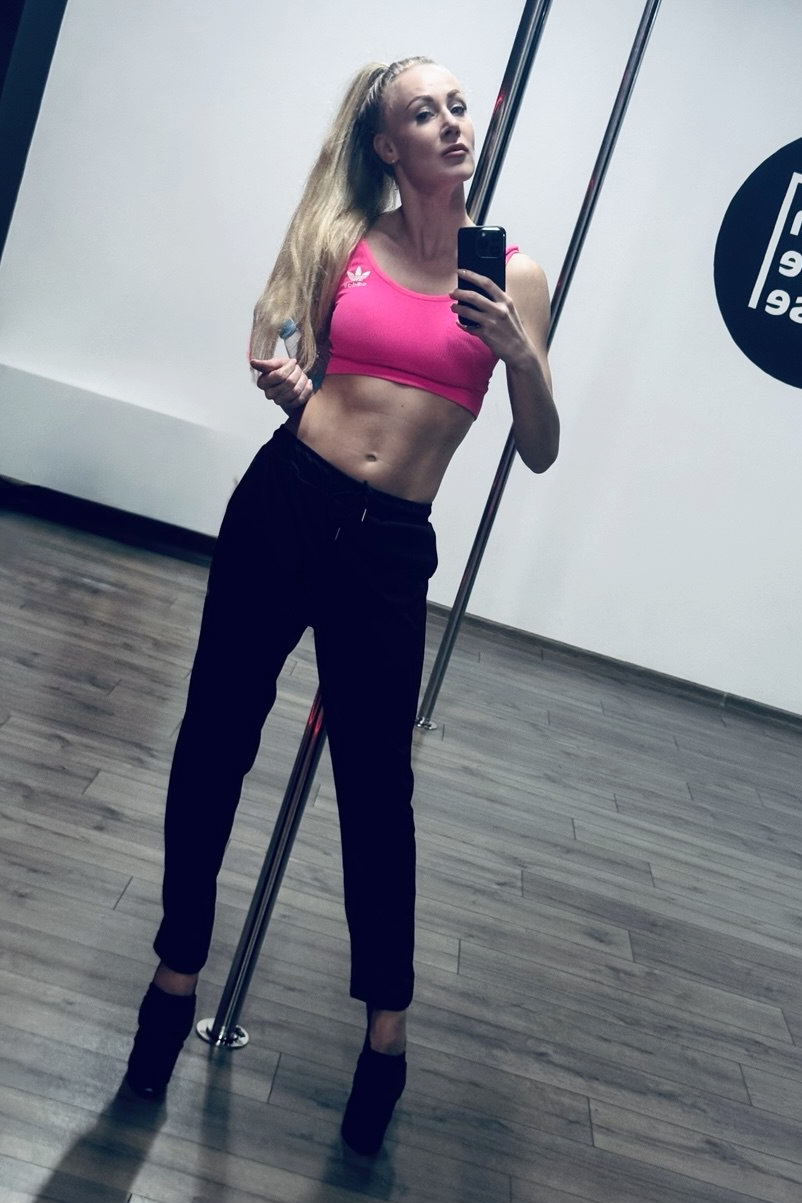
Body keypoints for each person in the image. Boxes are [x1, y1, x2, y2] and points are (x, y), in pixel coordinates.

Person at [125, 56, 558, 1155]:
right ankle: (174, 976)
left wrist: (519, 355)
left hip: (387, 549)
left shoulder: (513, 273)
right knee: (214, 739)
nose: (451, 123)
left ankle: (386, 1036)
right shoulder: (345, 243)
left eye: (457, 106)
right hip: (284, 505)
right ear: (385, 145)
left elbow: (541, 448)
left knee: (376, 790)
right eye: (424, 112)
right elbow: (303, 370)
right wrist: (293, 388)